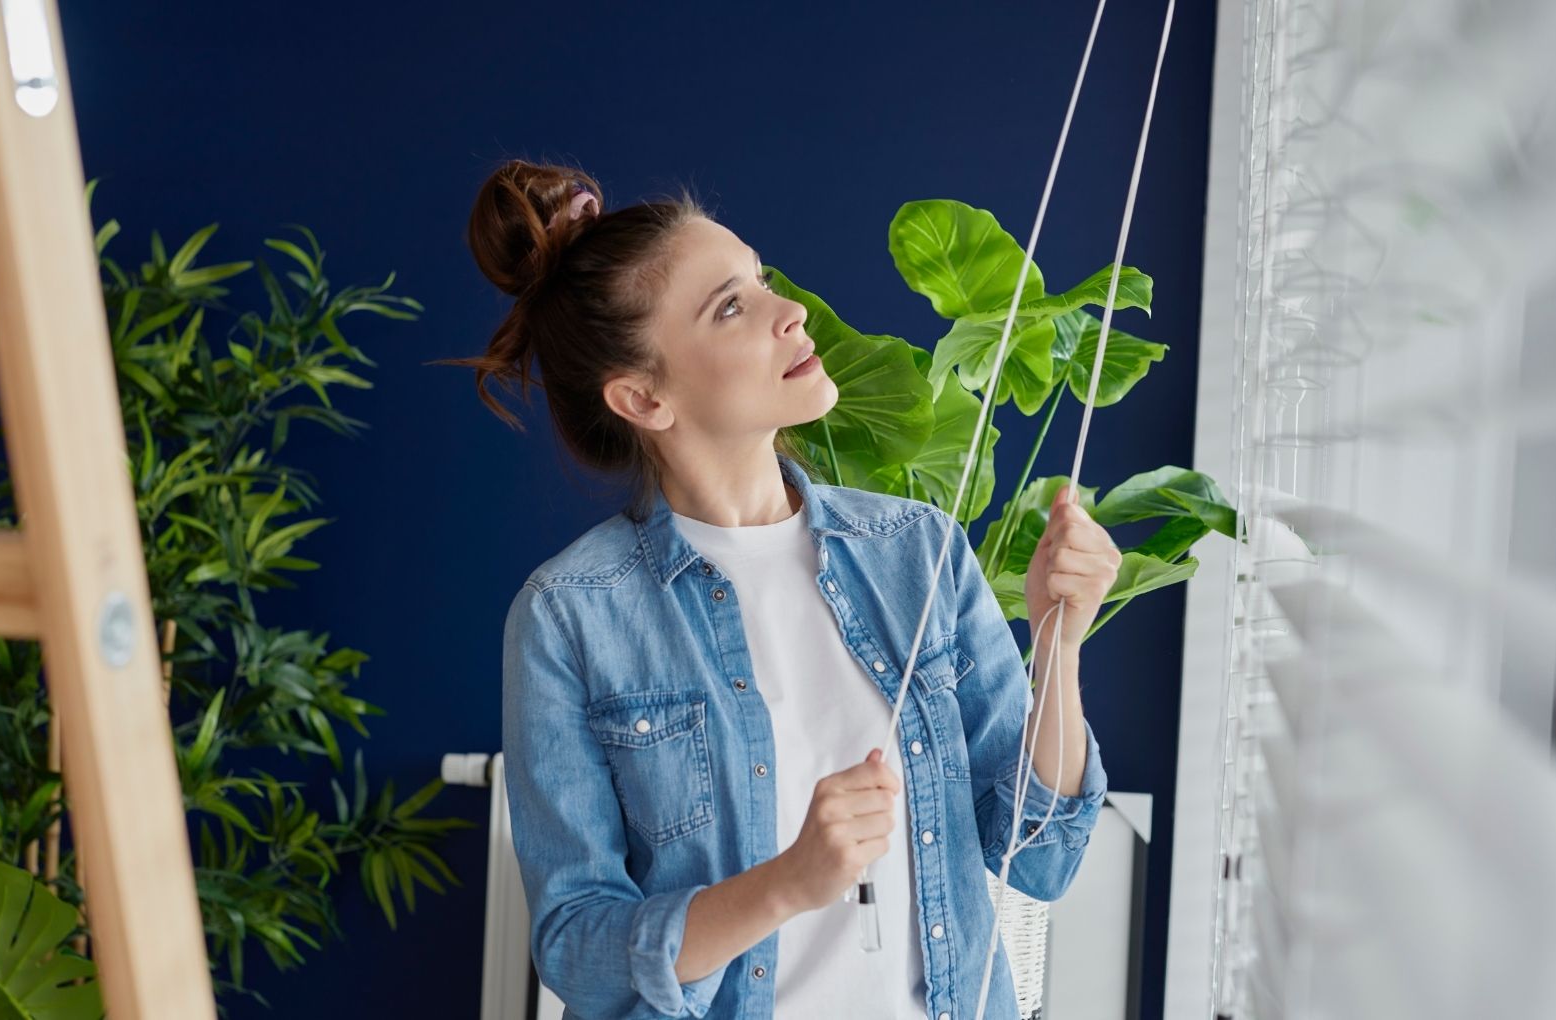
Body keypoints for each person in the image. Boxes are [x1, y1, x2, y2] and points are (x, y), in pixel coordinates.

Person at [453, 160, 1116, 1020]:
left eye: (759, 281)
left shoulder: (917, 551)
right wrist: (787, 884)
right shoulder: (572, 616)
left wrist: (1059, 646)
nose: (789, 312)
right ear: (644, 396)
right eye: (731, 305)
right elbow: (580, 951)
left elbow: (1040, 856)